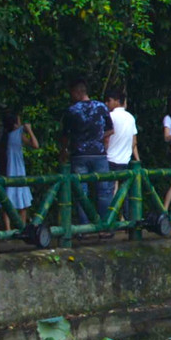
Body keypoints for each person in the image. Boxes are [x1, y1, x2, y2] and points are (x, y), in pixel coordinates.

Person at [59, 77, 114, 229]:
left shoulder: (72, 111)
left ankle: (84, 228)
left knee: (81, 192)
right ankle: (105, 226)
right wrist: (99, 140)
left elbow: (65, 136)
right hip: (99, 153)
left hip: (79, 155)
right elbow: (110, 130)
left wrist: (63, 151)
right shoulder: (101, 107)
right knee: (104, 191)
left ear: (77, 93)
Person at [0, 112, 38, 231]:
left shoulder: (2, 135)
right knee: (22, 199)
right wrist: (29, 130)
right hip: (18, 169)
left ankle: (8, 228)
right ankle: (22, 227)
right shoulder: (17, 133)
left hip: (5, 169)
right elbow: (35, 145)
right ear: (15, 124)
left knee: (6, 198)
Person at [105, 89, 139, 219]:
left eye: (109, 100)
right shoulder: (130, 118)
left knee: (110, 191)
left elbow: (106, 138)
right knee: (123, 191)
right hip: (124, 160)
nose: (107, 103)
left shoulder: (110, 117)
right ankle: (125, 218)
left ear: (116, 101)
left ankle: (111, 218)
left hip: (109, 158)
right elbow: (134, 141)